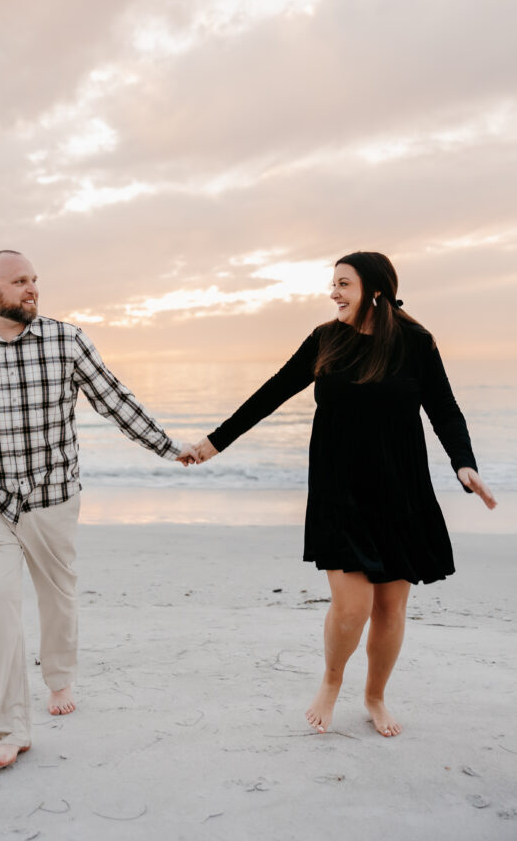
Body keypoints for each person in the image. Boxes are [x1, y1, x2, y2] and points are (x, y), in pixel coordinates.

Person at [192, 251, 496, 738]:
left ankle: (374, 695)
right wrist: (214, 442)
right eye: (333, 284)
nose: (333, 293)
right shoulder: (325, 339)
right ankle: (331, 683)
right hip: (340, 490)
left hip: (401, 492)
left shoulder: (416, 343)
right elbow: (273, 392)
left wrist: (465, 464)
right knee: (352, 606)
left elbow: (443, 407)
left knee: (392, 607)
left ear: (374, 291)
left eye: (343, 284)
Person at [0, 250, 196, 770]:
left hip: (52, 497)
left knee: (57, 595)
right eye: (19, 281)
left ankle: (60, 676)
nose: (31, 289)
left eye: (34, 280)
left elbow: (115, 399)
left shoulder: (66, 340)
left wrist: (166, 445)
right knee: (0, 603)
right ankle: (11, 729)